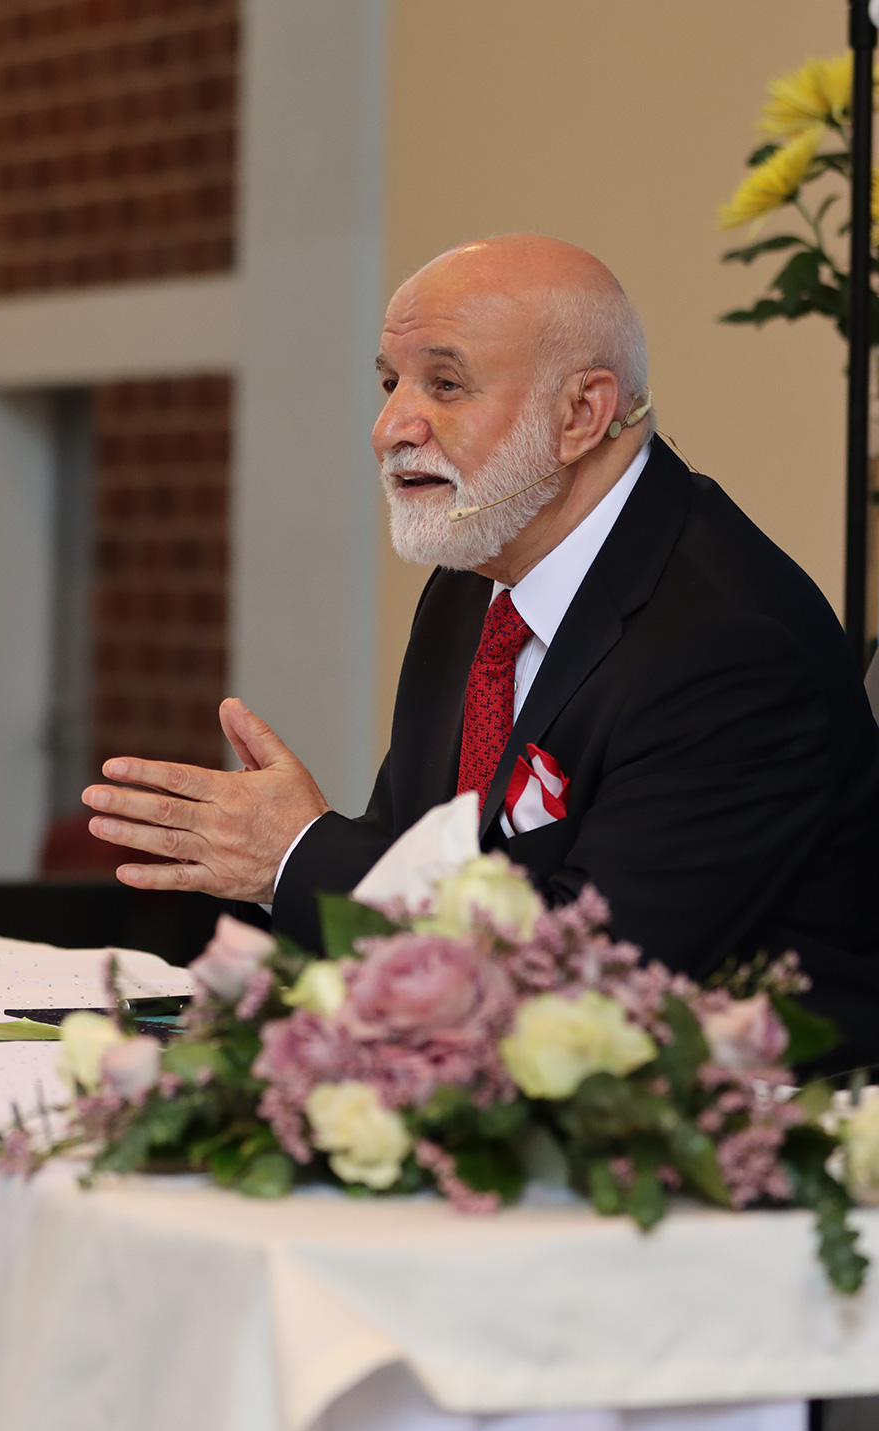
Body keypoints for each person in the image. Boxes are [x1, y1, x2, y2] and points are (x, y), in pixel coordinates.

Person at [82, 235, 879, 1064]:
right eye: (390, 382)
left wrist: (295, 856)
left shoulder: (728, 644)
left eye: (445, 384)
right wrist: (289, 862)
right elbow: (424, 853)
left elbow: (589, 978)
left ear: (581, 415)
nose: (390, 426)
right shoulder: (473, 583)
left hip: (753, 1141)